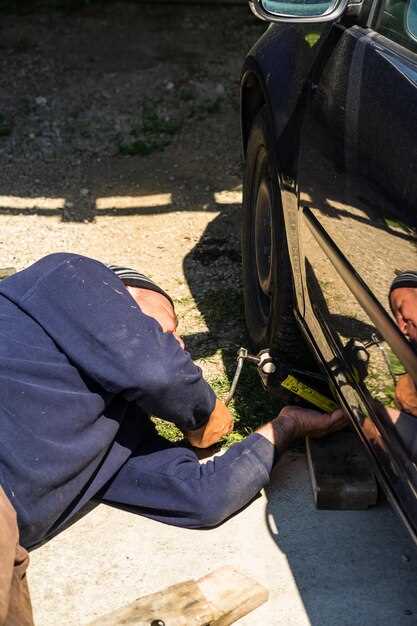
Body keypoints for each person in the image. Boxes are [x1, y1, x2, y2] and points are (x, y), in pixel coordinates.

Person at [0, 253, 346, 620]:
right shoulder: (65, 275)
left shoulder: (117, 436)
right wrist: (205, 415)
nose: (181, 343)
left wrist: (286, 426)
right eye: (171, 323)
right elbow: (156, 371)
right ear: (125, 292)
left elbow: (203, 497)